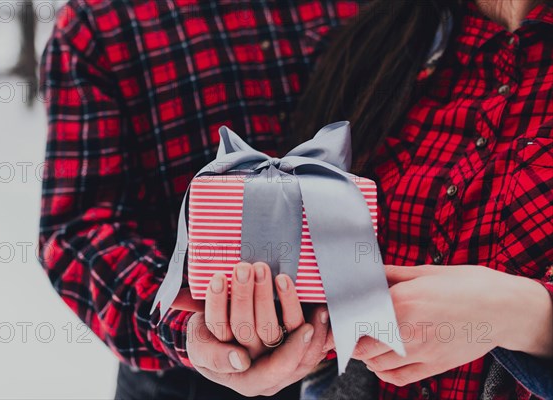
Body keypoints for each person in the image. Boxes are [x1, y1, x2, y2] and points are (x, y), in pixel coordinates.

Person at [38, 0, 553, 399]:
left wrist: (519, 313)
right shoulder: (102, 24)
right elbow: (81, 230)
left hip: (336, 362)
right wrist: (195, 329)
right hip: (188, 379)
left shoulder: (390, 24)